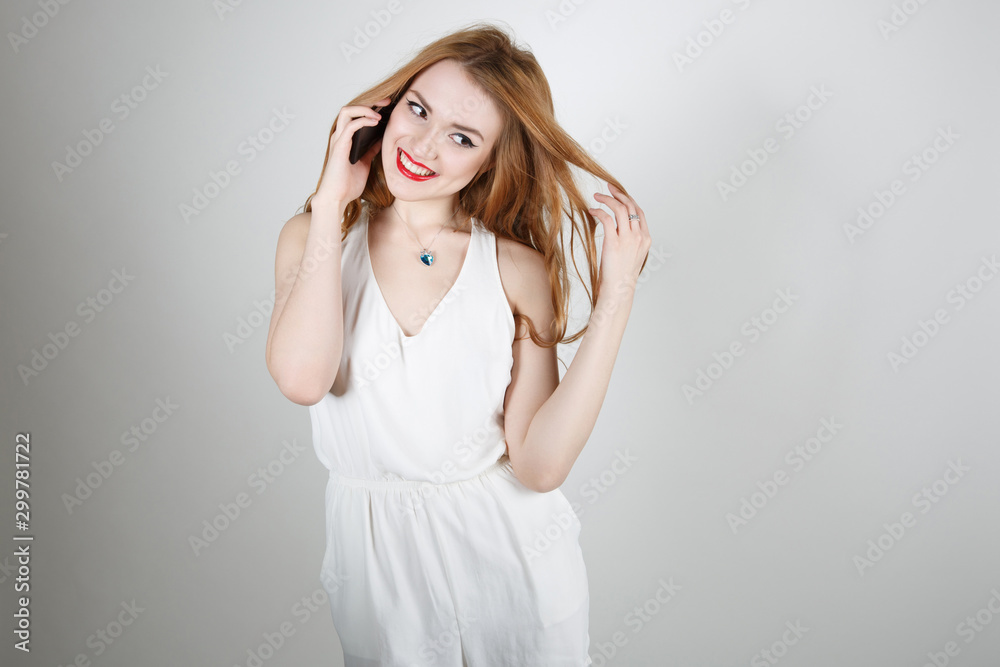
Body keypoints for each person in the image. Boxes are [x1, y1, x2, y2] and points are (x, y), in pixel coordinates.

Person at [265, 20, 651, 667]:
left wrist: (617, 296)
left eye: (462, 137)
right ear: (388, 106)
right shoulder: (312, 239)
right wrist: (331, 203)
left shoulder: (516, 269)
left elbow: (539, 466)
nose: (422, 144)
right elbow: (303, 379)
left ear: (490, 161)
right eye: (418, 109)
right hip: (379, 573)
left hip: (513, 568)